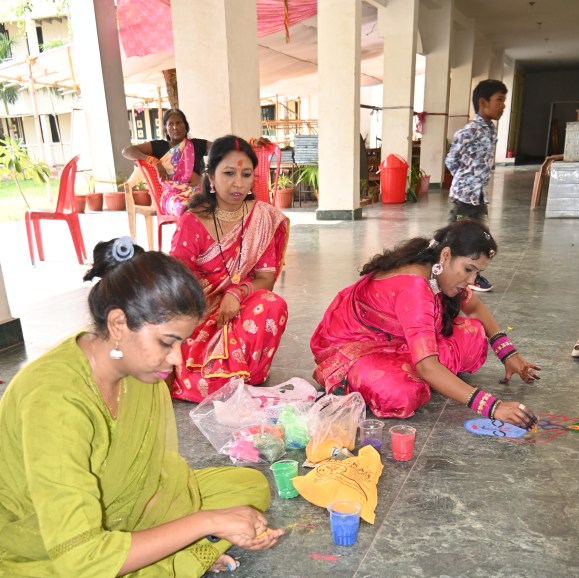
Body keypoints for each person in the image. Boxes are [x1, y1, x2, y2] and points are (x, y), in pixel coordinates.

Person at [0, 237, 283, 578]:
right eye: (167, 342)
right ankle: (148, 572)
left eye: (182, 343)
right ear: (117, 325)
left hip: (122, 516)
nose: (177, 360)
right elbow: (81, 557)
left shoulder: (139, 373)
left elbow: (156, 475)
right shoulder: (54, 399)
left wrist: (197, 521)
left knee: (249, 488)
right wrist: (204, 526)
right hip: (38, 550)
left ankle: (148, 561)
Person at [310, 219, 539, 428]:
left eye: (477, 273)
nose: (471, 280)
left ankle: (436, 378)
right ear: (447, 255)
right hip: (358, 345)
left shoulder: (435, 266)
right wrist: (493, 407)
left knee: (473, 335)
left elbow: (476, 308)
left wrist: (508, 354)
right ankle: (425, 378)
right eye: (468, 269)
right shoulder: (414, 288)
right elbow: (426, 366)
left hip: (402, 339)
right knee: (401, 393)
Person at [169, 134, 290, 403]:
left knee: (272, 304)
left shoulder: (262, 217)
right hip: (199, 311)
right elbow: (176, 282)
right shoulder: (193, 220)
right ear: (211, 178)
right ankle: (224, 378)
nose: (238, 183)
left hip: (240, 305)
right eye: (228, 173)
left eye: (246, 174)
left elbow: (266, 278)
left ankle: (248, 374)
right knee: (200, 381)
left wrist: (236, 293)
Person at [445, 79, 508, 292]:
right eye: (499, 99)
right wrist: (465, 180)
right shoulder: (469, 131)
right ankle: (449, 273)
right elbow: (451, 160)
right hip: (463, 197)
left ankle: (470, 274)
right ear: (483, 103)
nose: (503, 105)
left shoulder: (491, 131)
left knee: (480, 238)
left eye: (504, 100)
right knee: (458, 237)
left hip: (479, 196)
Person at [122, 108, 211, 216]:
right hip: (173, 197)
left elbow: (220, 149)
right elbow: (127, 151)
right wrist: (155, 162)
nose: (175, 127)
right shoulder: (160, 146)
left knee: (214, 205)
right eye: (170, 124)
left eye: (179, 123)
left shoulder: (197, 145)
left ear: (186, 126)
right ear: (166, 129)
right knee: (187, 209)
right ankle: (187, 232)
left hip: (198, 191)